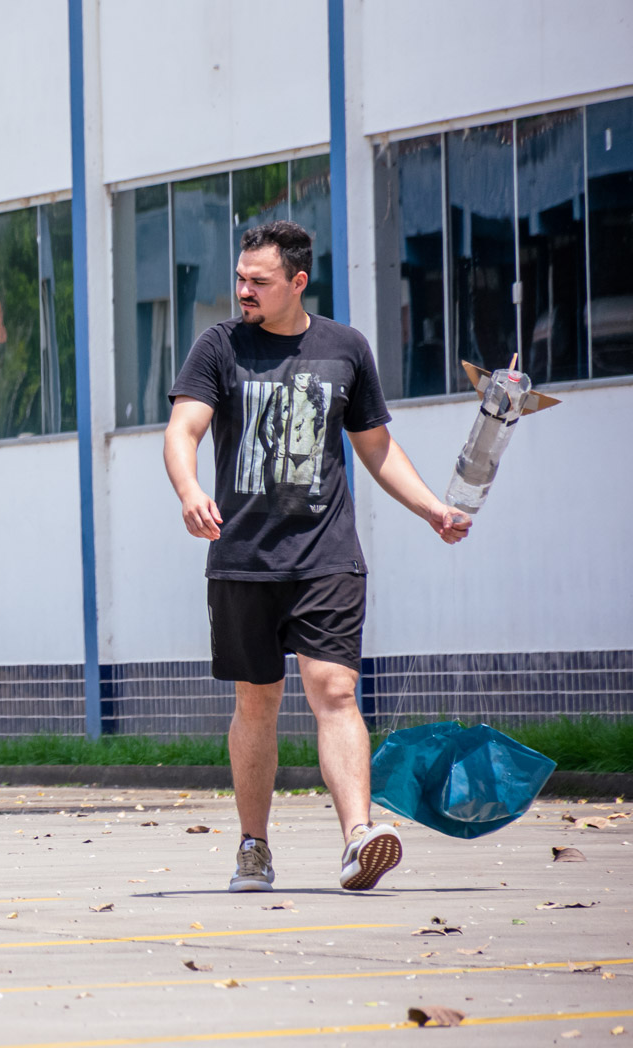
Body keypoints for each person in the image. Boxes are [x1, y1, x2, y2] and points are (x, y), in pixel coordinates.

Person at [164, 221, 471, 894]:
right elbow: (183, 429)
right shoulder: (218, 348)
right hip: (241, 557)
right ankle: (253, 846)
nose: (243, 290)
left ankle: (358, 837)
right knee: (258, 702)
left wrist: (431, 509)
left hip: (327, 556)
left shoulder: (345, 349)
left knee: (335, 690)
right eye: (240, 278)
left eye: (259, 281)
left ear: (297, 282)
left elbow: (377, 448)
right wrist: (189, 492)